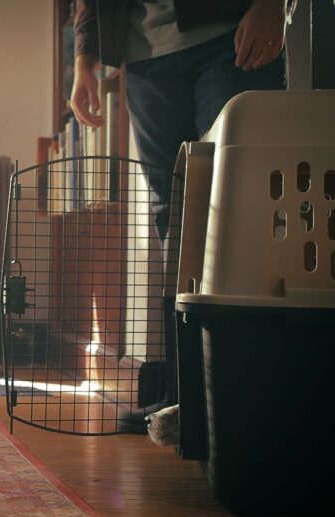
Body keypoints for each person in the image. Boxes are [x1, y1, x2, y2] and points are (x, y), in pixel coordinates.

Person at [70, 0, 293, 427]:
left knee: (241, 203)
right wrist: (84, 61)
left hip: (230, 34)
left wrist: (272, 4)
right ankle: (184, 399)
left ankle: (245, 400)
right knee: (172, 214)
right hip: (144, 55)